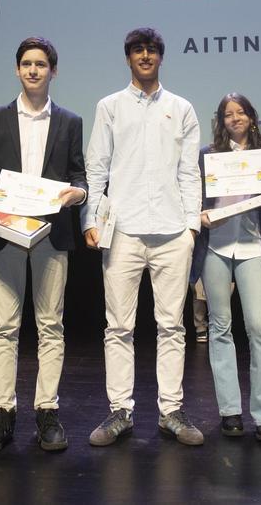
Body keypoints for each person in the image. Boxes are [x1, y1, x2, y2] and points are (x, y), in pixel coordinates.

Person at [82, 28, 204, 447]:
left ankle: (171, 411)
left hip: (173, 232)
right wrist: (89, 219)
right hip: (122, 231)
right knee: (118, 327)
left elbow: (189, 172)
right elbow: (96, 168)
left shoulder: (181, 108)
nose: (145, 56)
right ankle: (120, 411)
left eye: (151, 50)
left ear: (161, 57)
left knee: (172, 326)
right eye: (138, 50)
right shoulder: (109, 106)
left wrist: (191, 227)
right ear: (128, 58)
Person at [0, 37, 87, 454]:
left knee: (51, 325)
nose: (34, 70)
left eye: (41, 64)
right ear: (17, 70)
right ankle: (3, 411)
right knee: (4, 327)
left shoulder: (70, 121)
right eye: (27, 64)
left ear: (53, 71)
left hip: (52, 234)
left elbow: (79, 174)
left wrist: (79, 194)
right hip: (4, 232)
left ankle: (46, 411)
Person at [191, 93, 261, 442]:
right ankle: (229, 410)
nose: (235, 118)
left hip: (252, 248)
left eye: (241, 112)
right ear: (221, 121)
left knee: (258, 326)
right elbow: (196, 198)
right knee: (220, 327)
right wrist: (198, 215)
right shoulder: (208, 155)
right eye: (228, 114)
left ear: (251, 117)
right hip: (215, 247)